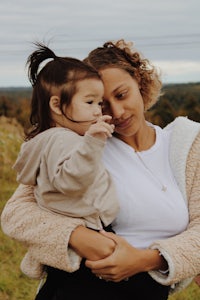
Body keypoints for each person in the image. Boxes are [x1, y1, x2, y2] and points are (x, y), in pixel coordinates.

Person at [1, 39, 200, 300]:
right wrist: (79, 236)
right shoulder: (82, 145)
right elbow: (16, 213)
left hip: (146, 291)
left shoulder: (185, 145)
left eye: (121, 95)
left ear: (138, 81)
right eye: (100, 104)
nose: (115, 112)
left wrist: (145, 260)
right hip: (78, 290)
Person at [12, 42, 119, 278]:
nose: (97, 111)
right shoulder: (65, 141)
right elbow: (72, 182)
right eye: (89, 102)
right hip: (89, 230)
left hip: (78, 231)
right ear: (57, 106)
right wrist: (93, 142)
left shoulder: (44, 141)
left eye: (99, 103)